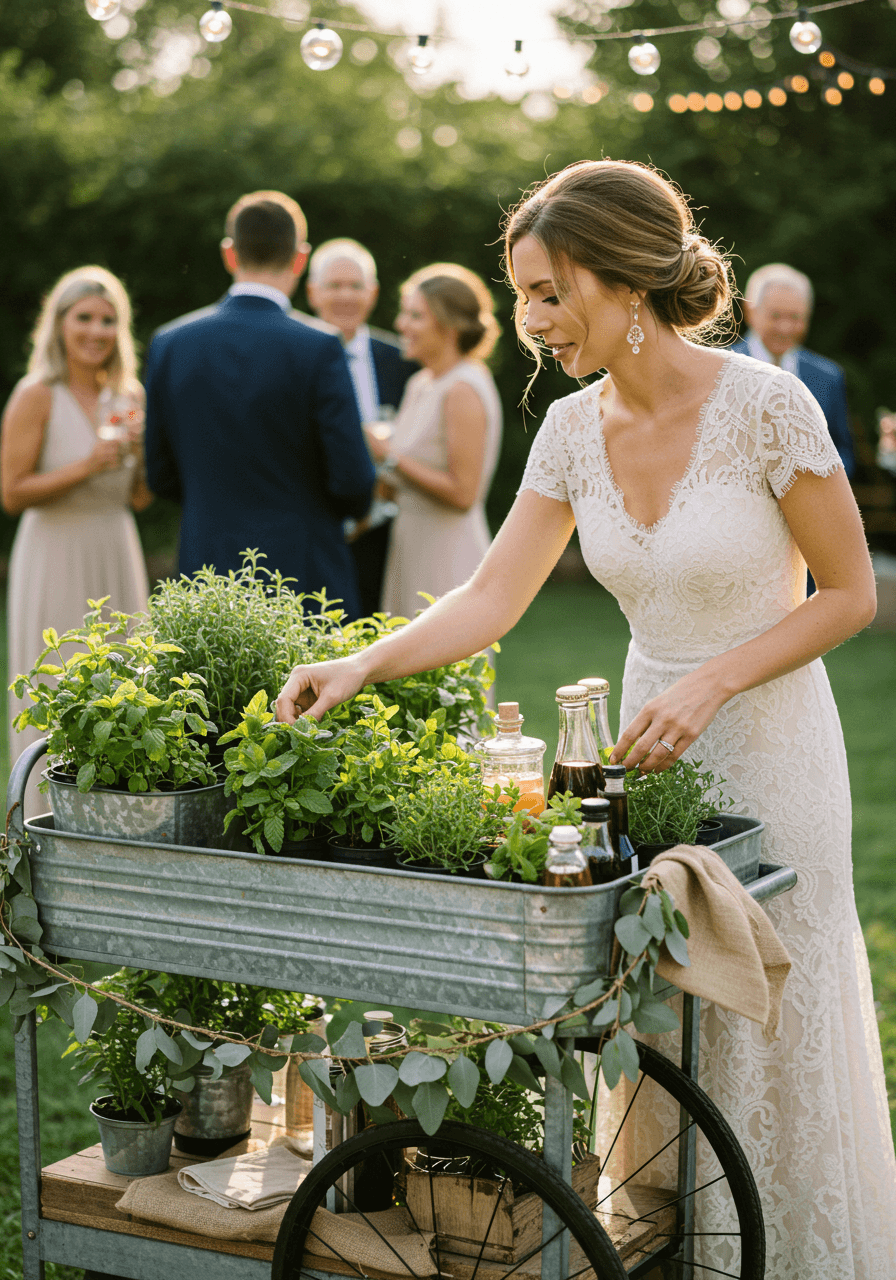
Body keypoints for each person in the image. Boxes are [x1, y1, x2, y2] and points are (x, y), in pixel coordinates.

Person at [276, 160, 896, 1278]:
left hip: (769, 745)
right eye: (519, 295)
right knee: (655, 1009)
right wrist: (358, 661)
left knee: (765, 1011)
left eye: (549, 292)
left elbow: (847, 594)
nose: (530, 322)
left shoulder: (767, 404)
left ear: (623, 278)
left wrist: (713, 680)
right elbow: (489, 595)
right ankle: (676, 1252)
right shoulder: (566, 429)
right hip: (632, 759)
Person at [143, 191, 375, 615]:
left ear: (229, 254)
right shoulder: (319, 347)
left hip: (205, 573)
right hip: (303, 577)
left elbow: (159, 475)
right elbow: (355, 484)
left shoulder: (171, 343)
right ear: (300, 259)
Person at [1, 265, 151, 812]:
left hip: (116, 545)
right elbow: (12, 493)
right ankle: (44, 817)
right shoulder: (37, 393)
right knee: (60, 683)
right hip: (54, 550)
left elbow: (138, 498)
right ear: (59, 324)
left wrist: (139, 460)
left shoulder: (129, 393)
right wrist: (87, 464)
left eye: (108, 320)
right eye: (83, 318)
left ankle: (120, 815)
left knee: (123, 683)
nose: (96, 331)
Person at [366, 264, 502, 620]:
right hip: (410, 546)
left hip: (447, 555)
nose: (401, 326)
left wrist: (388, 455)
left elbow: (463, 494)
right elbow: (404, 482)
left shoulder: (462, 388)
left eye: (415, 316)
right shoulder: (420, 384)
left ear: (449, 325)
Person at [306, 238, 417, 615]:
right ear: (312, 292)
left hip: (388, 535)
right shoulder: (289, 358)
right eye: (334, 286)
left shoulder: (402, 360)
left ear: (372, 293)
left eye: (355, 286)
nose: (345, 296)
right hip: (312, 531)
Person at [732, 262, 855, 477]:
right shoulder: (721, 366)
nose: (786, 328)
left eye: (796, 317)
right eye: (776, 316)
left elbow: (843, 452)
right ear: (750, 312)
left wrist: (818, 473)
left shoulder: (828, 376)